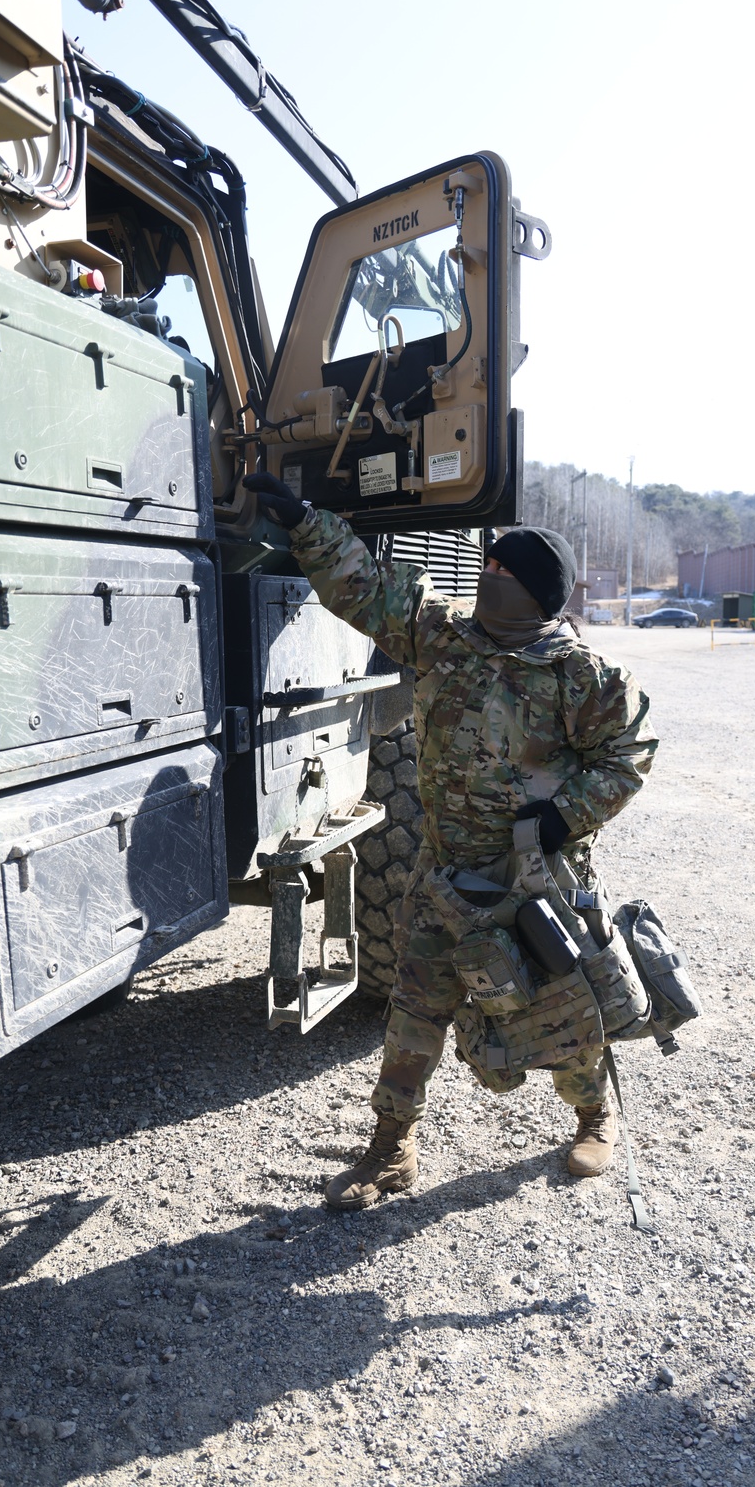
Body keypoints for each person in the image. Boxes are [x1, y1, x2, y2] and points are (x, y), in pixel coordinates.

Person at [245, 473, 658, 1211]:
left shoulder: (580, 674)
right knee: (414, 1008)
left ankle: (595, 1114)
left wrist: (565, 819)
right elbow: (365, 586)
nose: (488, 577)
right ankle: (391, 1146)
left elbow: (629, 752)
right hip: (443, 879)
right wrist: (307, 522)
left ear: (537, 593)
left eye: (503, 572)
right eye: (487, 567)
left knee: (558, 1006)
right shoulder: (441, 635)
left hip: (533, 884)